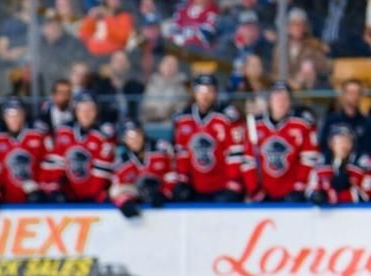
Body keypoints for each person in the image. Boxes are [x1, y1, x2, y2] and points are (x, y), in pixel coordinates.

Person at [170, 73, 247, 202]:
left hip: (223, 186)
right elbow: (181, 153)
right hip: (195, 187)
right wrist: (183, 180)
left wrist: (233, 184)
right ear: (194, 93)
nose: (205, 96)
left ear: (216, 93)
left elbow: (235, 154)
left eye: (210, 90)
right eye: (201, 90)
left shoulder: (228, 117)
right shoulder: (182, 119)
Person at [243, 82, 319, 202]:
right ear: (270, 101)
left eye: (285, 98)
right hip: (263, 193)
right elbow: (248, 161)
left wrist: (299, 186)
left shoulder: (302, 126)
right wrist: (254, 188)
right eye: (277, 98)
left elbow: (309, 159)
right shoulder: (255, 126)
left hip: (292, 192)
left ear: (290, 103)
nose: (281, 102)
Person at [45, 92, 117, 203]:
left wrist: (91, 196)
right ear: (75, 111)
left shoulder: (105, 134)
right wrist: (56, 189)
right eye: (81, 109)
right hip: (68, 196)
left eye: (90, 110)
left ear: (97, 111)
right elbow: (56, 165)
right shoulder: (63, 131)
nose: (86, 114)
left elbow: (102, 170)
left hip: (96, 198)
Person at [0, 97, 51, 204]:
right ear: (4, 117)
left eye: (18, 115)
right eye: (10, 116)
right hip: (6, 202)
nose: (14, 119)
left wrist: (41, 188)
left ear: (23, 116)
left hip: (34, 200)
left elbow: (48, 164)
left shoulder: (37, 136)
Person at [110, 119, 175, 217]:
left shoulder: (162, 149)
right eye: (129, 137)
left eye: (137, 134)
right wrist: (124, 202)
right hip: (139, 201)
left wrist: (165, 193)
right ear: (124, 139)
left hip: (166, 201)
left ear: (143, 134)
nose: (135, 140)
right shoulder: (122, 162)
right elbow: (116, 190)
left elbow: (175, 173)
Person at [307, 125, 370, 205]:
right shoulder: (321, 164)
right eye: (340, 141)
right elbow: (310, 190)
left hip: (355, 214)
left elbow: (366, 194)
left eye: (347, 141)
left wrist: (336, 196)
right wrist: (317, 196)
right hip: (327, 215)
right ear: (331, 143)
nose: (344, 145)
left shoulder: (362, 163)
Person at [320, 80, 371, 159]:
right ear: (343, 94)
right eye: (350, 92)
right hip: (332, 165)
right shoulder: (331, 120)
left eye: (357, 92)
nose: (354, 96)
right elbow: (323, 145)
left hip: (359, 168)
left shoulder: (367, 123)